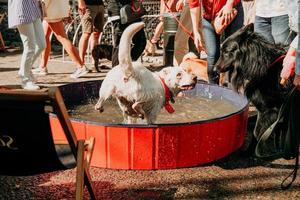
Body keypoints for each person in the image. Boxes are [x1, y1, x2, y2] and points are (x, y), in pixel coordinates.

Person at [189, 0, 244, 84]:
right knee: (212, 54)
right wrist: (196, 32)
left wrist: (229, 4)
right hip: (209, 16)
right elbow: (194, 4)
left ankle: (232, 89)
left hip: (232, 11)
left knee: (232, 52)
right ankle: (213, 89)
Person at [33, 0, 88, 79]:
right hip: (53, 9)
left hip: (51, 10)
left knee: (62, 38)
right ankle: (42, 67)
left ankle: (80, 66)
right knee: (45, 36)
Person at [8, 0, 46, 90]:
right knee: (30, 46)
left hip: (34, 7)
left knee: (41, 45)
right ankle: (25, 80)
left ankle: (25, 70)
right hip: (22, 8)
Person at [107, 0, 146, 67]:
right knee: (120, 44)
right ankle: (116, 69)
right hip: (119, 11)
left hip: (131, 10)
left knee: (141, 41)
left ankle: (128, 64)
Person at [78, 0, 105, 67]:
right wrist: (81, 3)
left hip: (100, 5)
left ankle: (95, 62)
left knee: (96, 34)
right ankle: (80, 64)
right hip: (88, 6)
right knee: (86, 33)